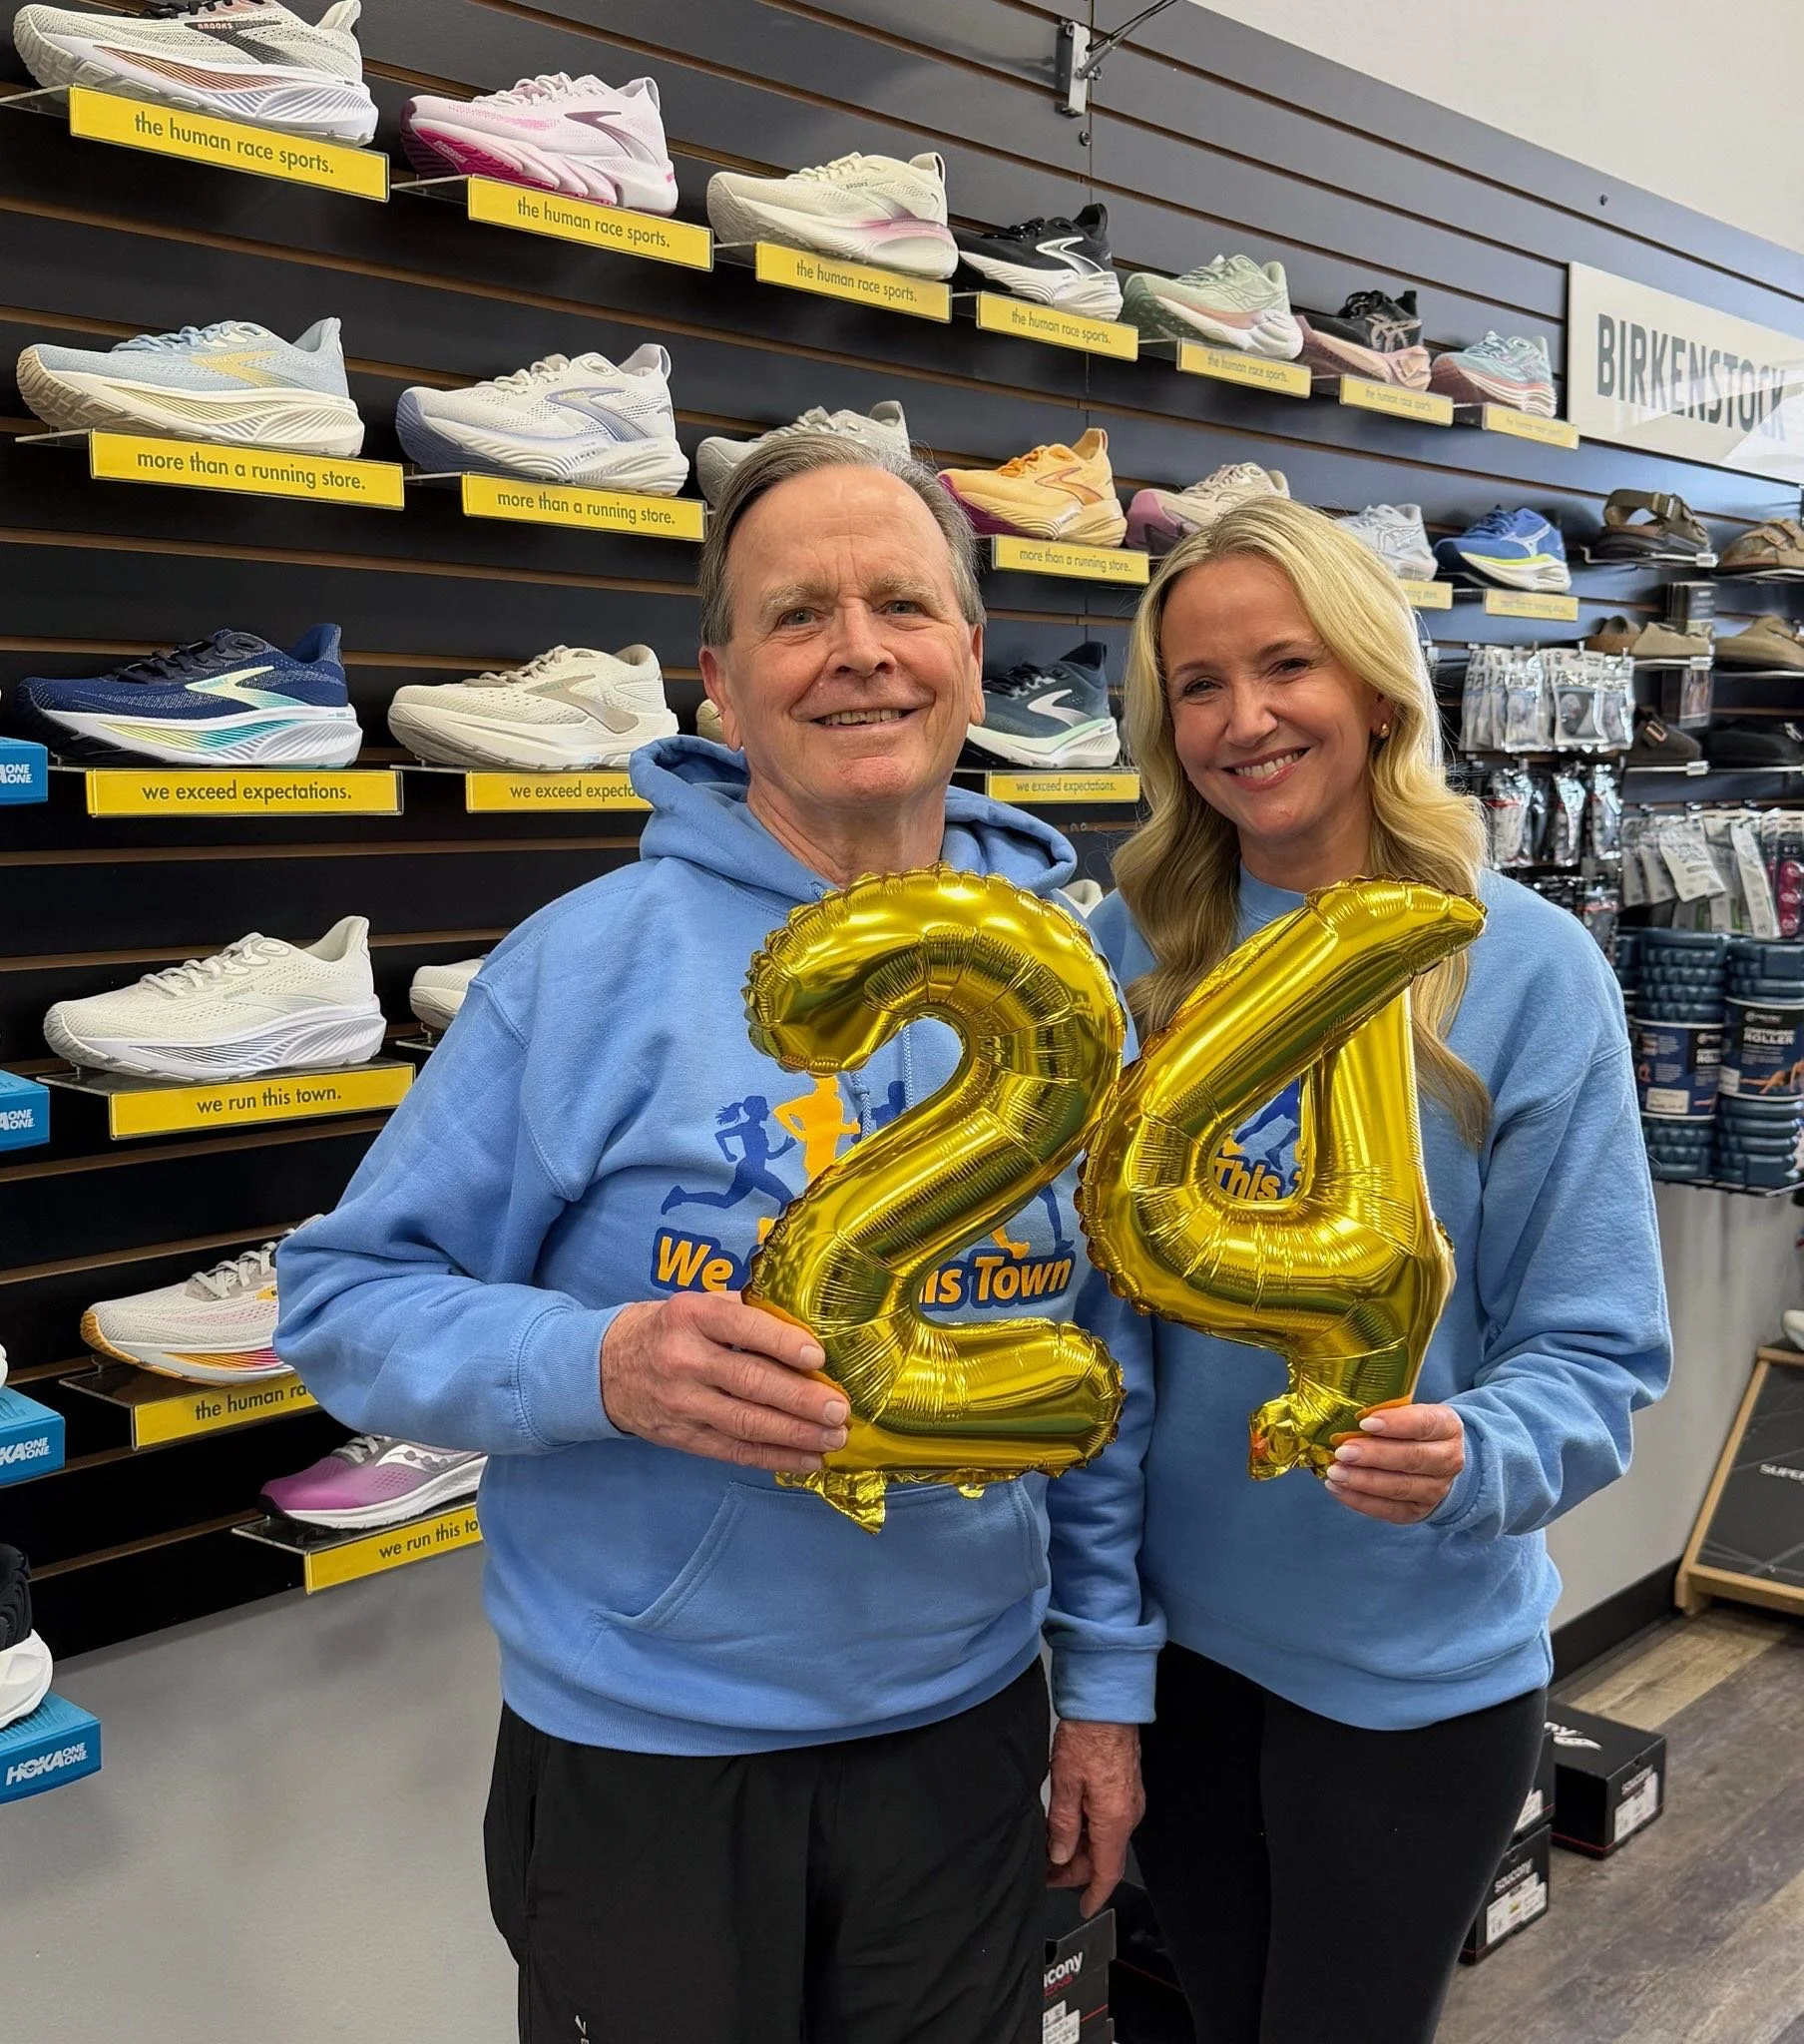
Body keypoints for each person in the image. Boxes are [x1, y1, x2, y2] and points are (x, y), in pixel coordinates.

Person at [275, 435, 1160, 2044]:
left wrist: (1102, 1687)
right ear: (721, 684)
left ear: (971, 656)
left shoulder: (1072, 981)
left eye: (902, 603)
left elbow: (1102, 1366)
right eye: (796, 615)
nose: (859, 651)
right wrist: (597, 1364)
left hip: (965, 1742)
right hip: (646, 1763)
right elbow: (343, 1303)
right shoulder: (583, 972)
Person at [1089, 497, 1670, 2044]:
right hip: (1165, 1653)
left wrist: (1480, 1446)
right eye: (1197, 686)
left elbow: (1599, 1350)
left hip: (1414, 1674)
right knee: (1205, 2014)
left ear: (1376, 684)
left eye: (1287, 665)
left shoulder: (1525, 966)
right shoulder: (1121, 956)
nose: (1245, 718)